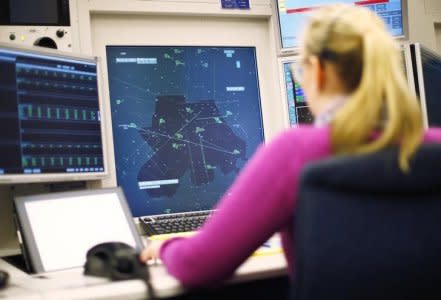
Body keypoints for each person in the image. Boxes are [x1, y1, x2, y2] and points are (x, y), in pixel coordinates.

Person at [140, 4, 441, 287]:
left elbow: (198, 265)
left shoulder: (294, 152)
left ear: (318, 70)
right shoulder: (435, 147)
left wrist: (166, 246)